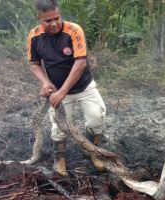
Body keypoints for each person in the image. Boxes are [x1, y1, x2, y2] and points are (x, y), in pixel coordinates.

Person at [26, 0, 106, 176]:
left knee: (96, 119)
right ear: (39, 18)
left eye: (57, 18)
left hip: (84, 86)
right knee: (58, 126)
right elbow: (34, 63)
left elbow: (80, 63)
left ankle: (93, 153)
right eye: (48, 20)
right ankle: (59, 160)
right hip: (57, 90)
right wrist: (45, 82)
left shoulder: (73, 30)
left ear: (59, 13)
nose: (54, 23)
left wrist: (63, 91)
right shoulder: (34, 36)